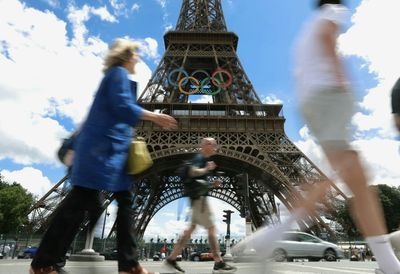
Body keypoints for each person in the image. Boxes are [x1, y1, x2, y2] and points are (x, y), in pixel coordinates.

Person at [234, 2, 400, 274]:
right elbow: (327, 36)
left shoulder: (304, 33)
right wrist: (342, 80)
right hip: (328, 97)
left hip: (313, 101)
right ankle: (388, 264)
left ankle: (273, 235)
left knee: (346, 175)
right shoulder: (330, 12)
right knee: (355, 176)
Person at [29, 38, 177, 274]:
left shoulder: (119, 77)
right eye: (135, 55)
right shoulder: (117, 74)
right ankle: (44, 263)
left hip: (111, 155)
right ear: (127, 57)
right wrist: (155, 117)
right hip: (101, 153)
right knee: (78, 206)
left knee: (118, 203)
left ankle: (127, 264)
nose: (138, 58)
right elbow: (122, 107)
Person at [163, 137, 237, 274]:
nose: (215, 145)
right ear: (205, 145)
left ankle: (172, 258)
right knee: (211, 228)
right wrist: (207, 169)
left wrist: (211, 184)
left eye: (215, 143)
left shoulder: (202, 159)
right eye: (212, 143)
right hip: (199, 200)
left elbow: (199, 181)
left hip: (197, 198)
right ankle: (218, 262)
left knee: (190, 230)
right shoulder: (200, 158)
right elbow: (193, 172)